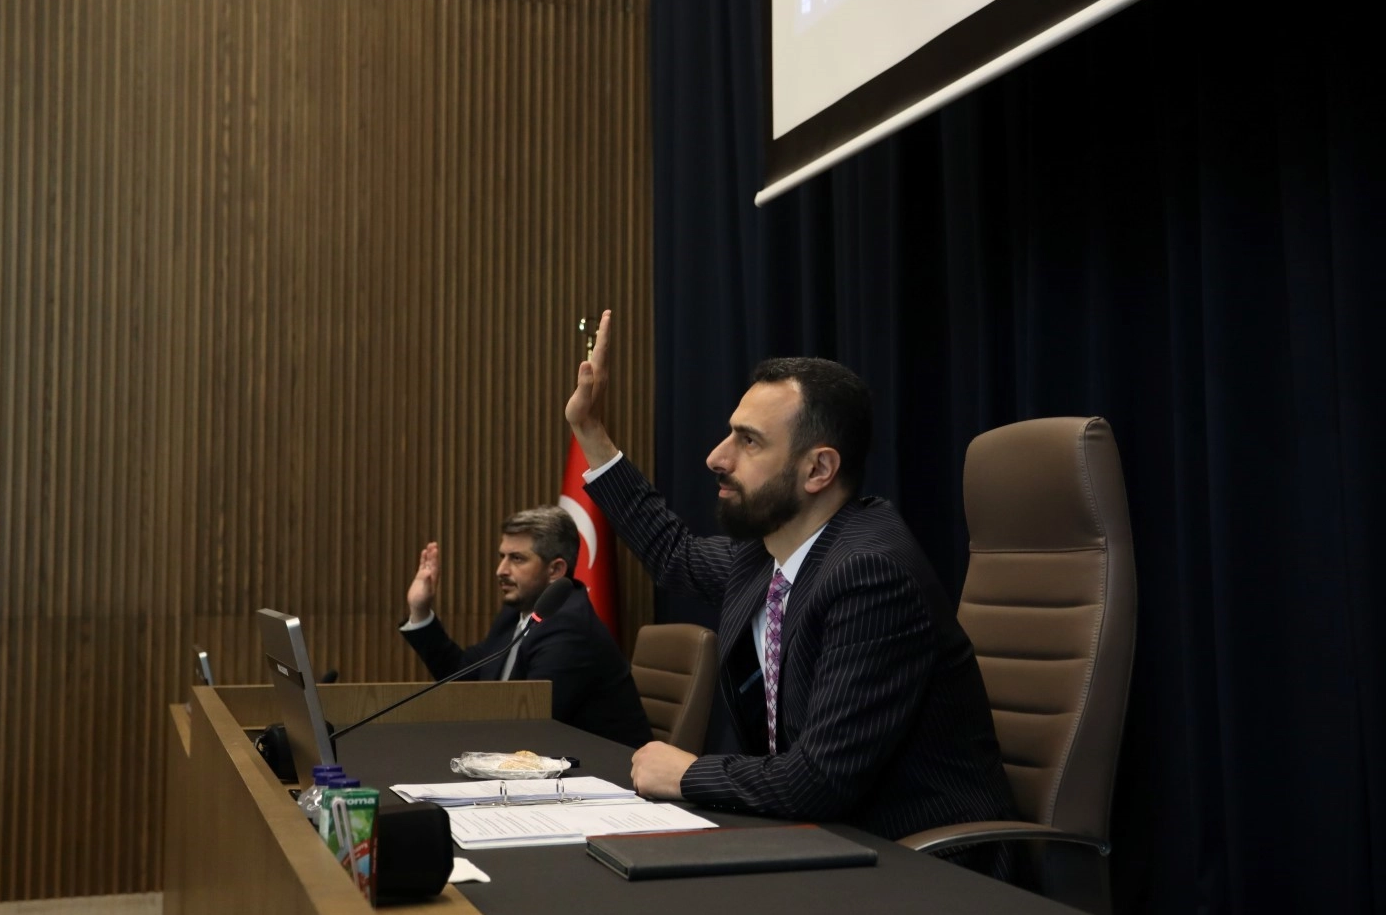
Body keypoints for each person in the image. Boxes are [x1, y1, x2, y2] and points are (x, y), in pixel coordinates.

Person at [564, 311, 1017, 878]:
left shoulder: (870, 573)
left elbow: (820, 780)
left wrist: (687, 773)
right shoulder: (769, 556)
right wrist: (591, 431)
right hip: (821, 843)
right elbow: (674, 554)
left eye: (748, 441)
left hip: (922, 864)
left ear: (818, 469)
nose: (716, 457)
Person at [399, 505, 653, 748]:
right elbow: (464, 675)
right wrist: (420, 610)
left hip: (602, 770)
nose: (501, 570)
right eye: (502, 557)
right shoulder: (516, 613)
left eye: (517, 559)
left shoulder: (570, 629)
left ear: (555, 570)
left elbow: (531, 721)